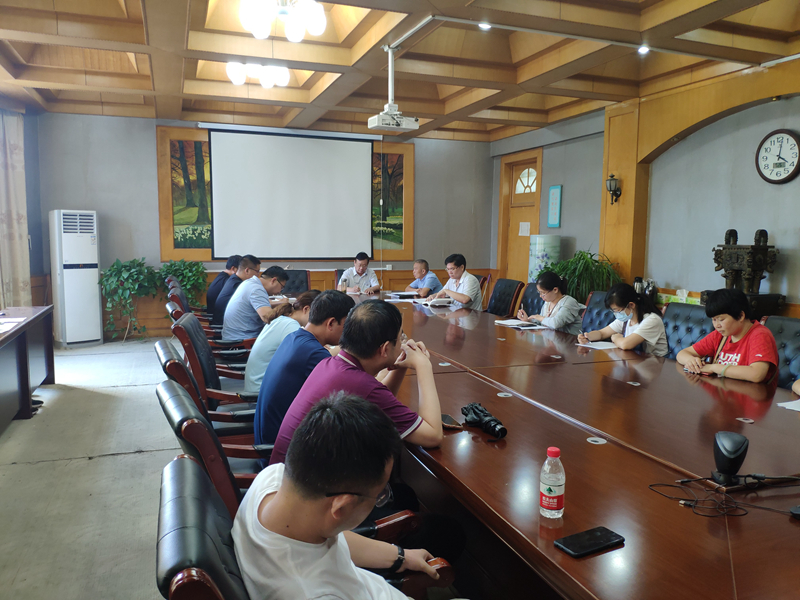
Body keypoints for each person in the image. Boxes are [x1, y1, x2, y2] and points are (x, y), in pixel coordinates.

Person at [234, 393, 442, 600]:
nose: (379, 499)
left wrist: (401, 557)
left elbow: (334, 542)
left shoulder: (272, 481)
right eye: (378, 495)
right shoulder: (312, 593)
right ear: (341, 507)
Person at [269, 299, 444, 465]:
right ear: (384, 348)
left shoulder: (331, 363)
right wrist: (423, 365)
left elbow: (377, 402)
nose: (403, 343)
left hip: (286, 475)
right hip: (306, 482)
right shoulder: (360, 384)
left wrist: (400, 365)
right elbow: (433, 436)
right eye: (400, 338)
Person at [254, 290, 355, 445]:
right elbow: (352, 393)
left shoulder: (294, 337)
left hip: (267, 437)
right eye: (346, 325)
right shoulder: (314, 353)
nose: (347, 332)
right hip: (279, 449)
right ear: (331, 323)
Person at [677, 288, 778, 383]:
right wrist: (691, 361)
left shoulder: (760, 335)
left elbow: (756, 374)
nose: (717, 325)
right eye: (714, 320)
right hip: (723, 391)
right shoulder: (720, 335)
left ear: (741, 316)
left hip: (751, 394)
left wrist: (714, 367)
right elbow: (682, 354)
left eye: (721, 319)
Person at [243, 290, 322, 392]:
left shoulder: (283, 320)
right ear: (306, 309)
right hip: (261, 391)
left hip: (259, 387)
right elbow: (308, 356)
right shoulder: (290, 325)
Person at [577, 282, 668, 357]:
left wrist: (615, 338)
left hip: (655, 365)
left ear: (631, 305)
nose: (616, 314)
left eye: (617, 310)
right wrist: (587, 337)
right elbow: (602, 333)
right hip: (635, 362)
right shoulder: (626, 318)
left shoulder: (652, 320)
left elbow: (625, 344)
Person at [222, 265, 288, 340]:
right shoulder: (256, 289)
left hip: (235, 335)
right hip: (241, 340)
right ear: (273, 280)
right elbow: (268, 318)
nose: (280, 291)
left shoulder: (251, 282)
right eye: (281, 287)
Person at [517, 272, 584, 335]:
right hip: (551, 339)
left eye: (543, 293)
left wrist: (539, 317)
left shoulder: (569, 302)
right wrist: (528, 320)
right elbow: (543, 322)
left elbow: (556, 323)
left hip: (569, 341)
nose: (540, 296)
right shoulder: (548, 302)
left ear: (555, 290)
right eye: (539, 292)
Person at [212, 254, 260, 326]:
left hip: (225, 322)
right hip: (224, 326)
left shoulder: (233, 279)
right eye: (257, 271)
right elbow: (254, 303)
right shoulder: (237, 284)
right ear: (247, 270)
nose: (258, 275)